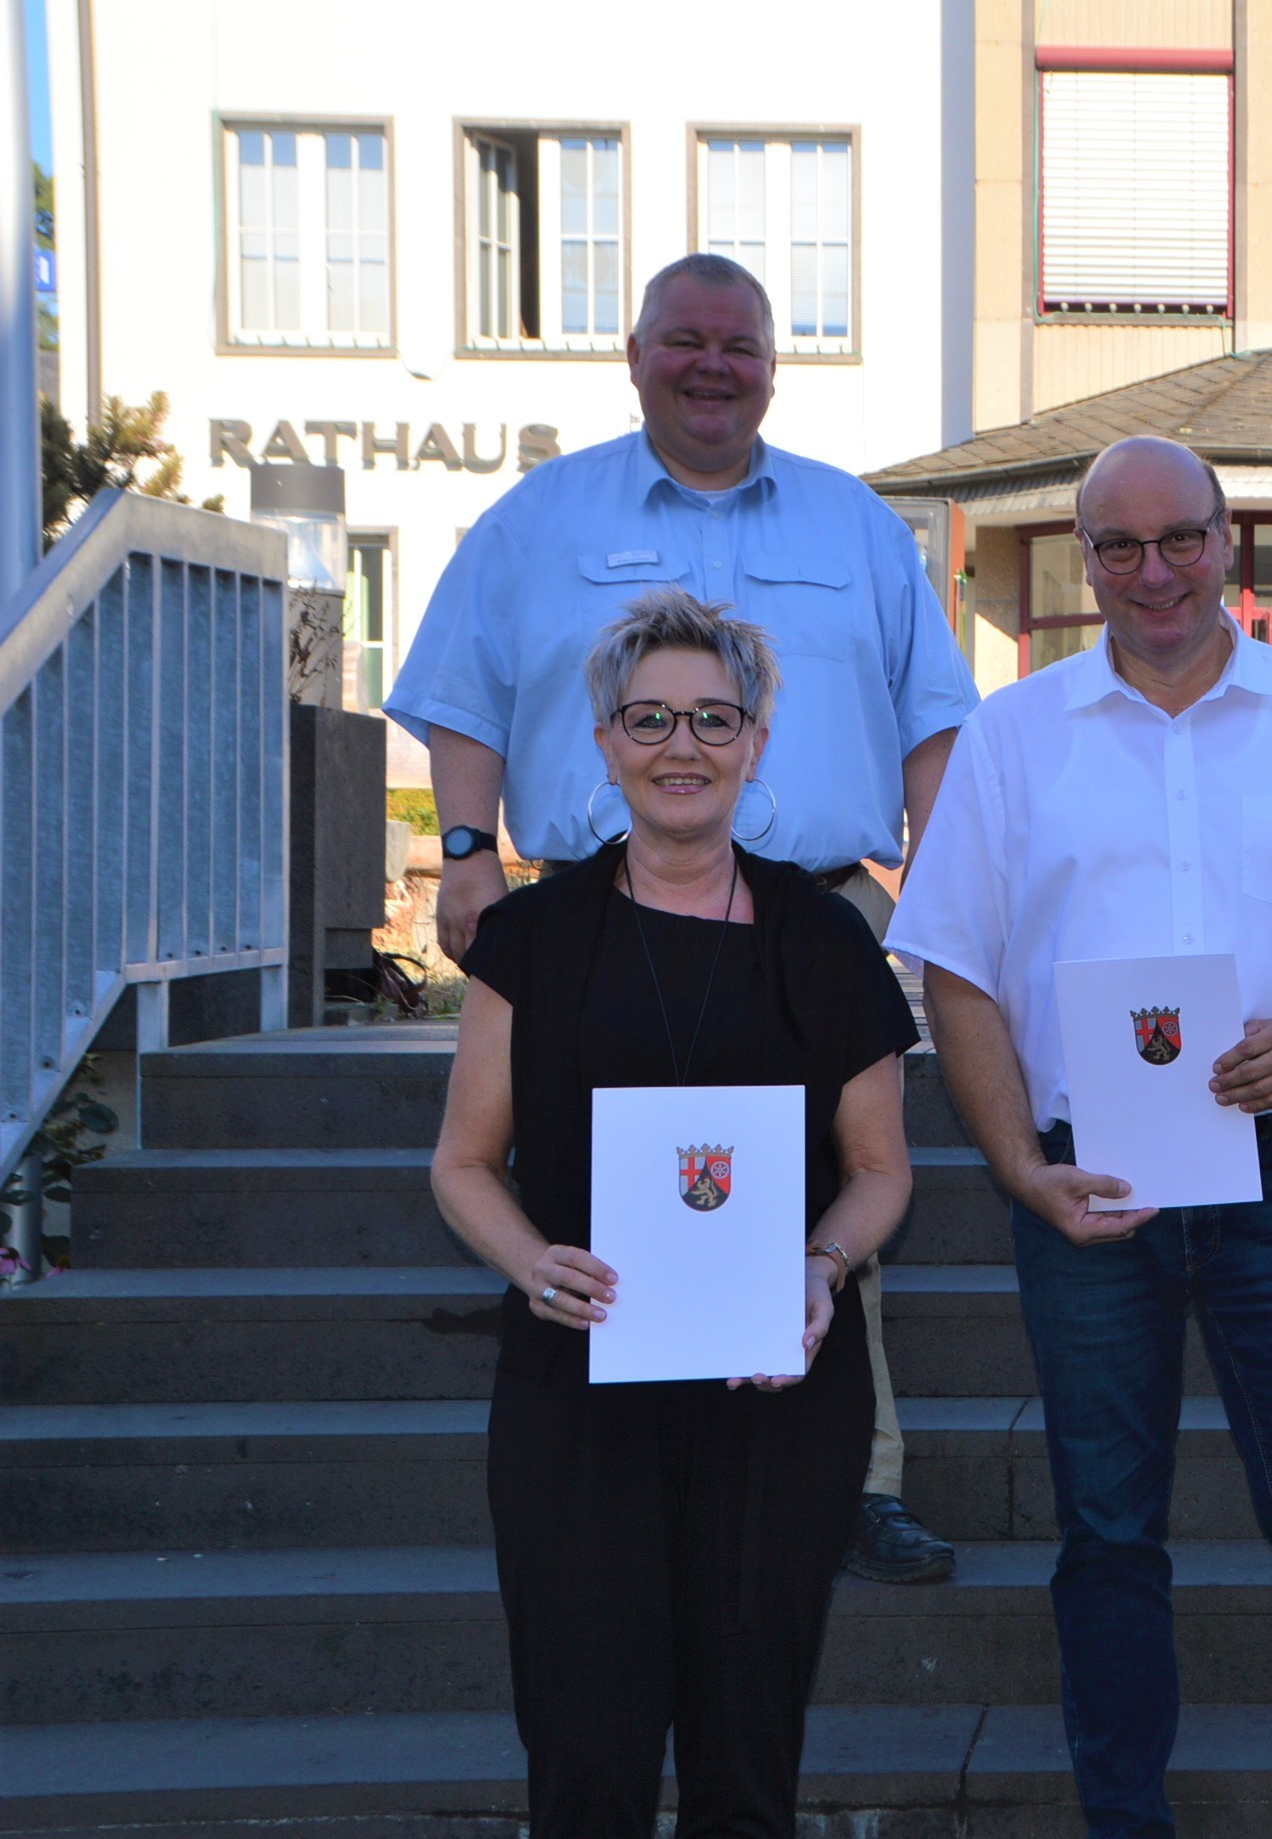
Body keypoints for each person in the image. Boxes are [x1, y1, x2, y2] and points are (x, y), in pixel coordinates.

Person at [886, 436, 1272, 1839]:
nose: (1155, 572)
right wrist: (1017, 1164)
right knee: (1105, 1538)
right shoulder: (1015, 737)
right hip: (1091, 1179)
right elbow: (953, 969)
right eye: (1120, 547)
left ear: (1229, 543)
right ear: (1085, 562)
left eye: (1182, 539)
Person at [388, 251, 977, 1587]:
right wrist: (469, 857)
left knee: (832, 1193)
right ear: (636, 353)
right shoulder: (541, 516)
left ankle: (856, 1475)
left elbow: (935, 719)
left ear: (776, 364)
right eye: (685, 342)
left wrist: (936, 897)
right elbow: (465, 696)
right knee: (589, 1186)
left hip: (807, 921)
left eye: (741, 345)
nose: (713, 367)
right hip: (598, 920)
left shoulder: (855, 527)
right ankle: (606, 1458)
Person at [428, 587, 920, 1837]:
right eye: (649, 718)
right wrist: (532, 1261)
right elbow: (464, 1163)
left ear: (755, 741)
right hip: (576, 1386)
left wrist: (822, 1264)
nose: (681, 746)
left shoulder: (825, 937)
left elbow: (880, 1170)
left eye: (712, 717)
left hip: (774, 1389)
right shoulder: (530, 939)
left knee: (744, 1764)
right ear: (603, 742)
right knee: (584, 1761)